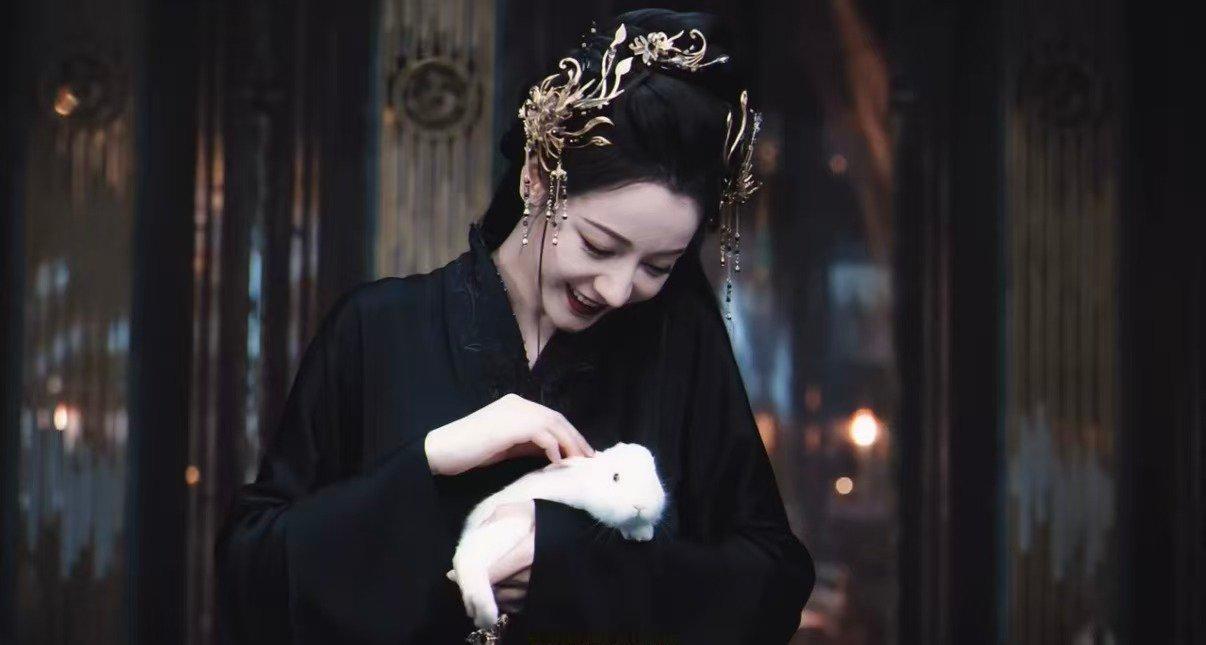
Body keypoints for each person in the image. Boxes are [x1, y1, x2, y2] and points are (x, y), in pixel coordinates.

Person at [216, 8, 814, 644]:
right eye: (598, 245)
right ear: (535, 178)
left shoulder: (677, 347)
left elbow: (773, 584)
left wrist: (565, 562)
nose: (617, 290)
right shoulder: (377, 328)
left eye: (657, 266)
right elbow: (252, 573)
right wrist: (429, 462)